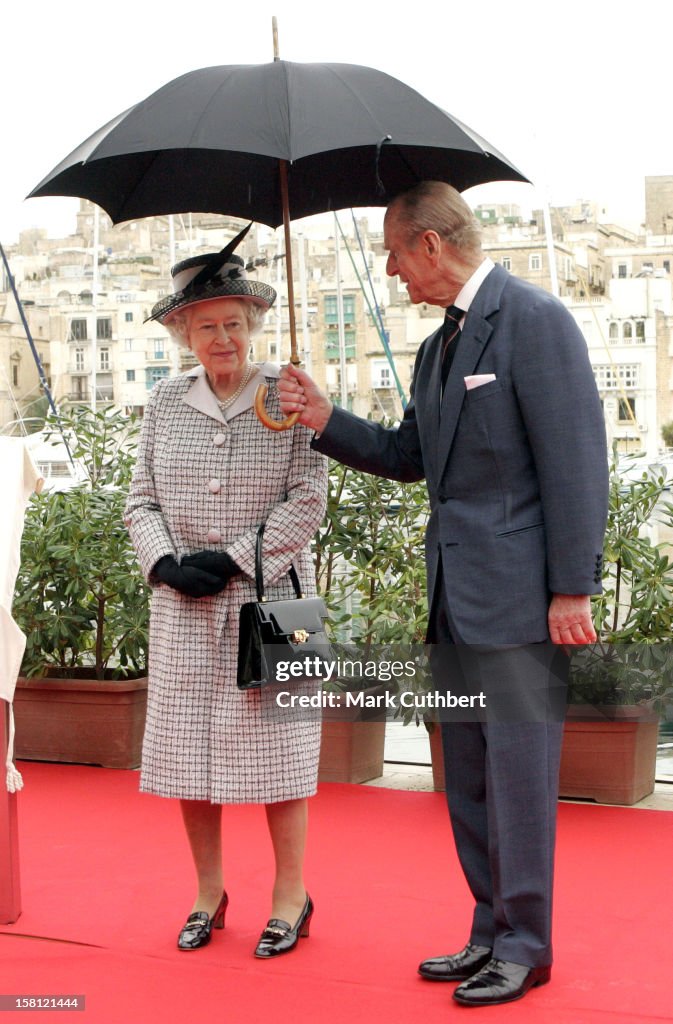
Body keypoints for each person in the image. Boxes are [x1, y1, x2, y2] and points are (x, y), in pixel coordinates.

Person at [277, 182, 608, 1007]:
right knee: (466, 779)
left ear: (430, 244)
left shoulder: (533, 319)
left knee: (521, 780)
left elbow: (576, 462)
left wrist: (572, 588)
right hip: (452, 601)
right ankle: (489, 930)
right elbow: (404, 456)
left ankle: (526, 945)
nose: (389, 271)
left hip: (523, 600)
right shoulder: (435, 350)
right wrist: (322, 416)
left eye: (393, 253)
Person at [124, 226, 327, 959]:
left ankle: (291, 896)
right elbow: (138, 500)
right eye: (206, 326)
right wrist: (165, 564)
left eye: (234, 324)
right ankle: (208, 892)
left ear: (253, 325)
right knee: (187, 756)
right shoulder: (163, 401)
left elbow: (308, 501)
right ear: (182, 331)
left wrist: (236, 558)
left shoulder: (289, 395)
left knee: (283, 757)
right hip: (183, 605)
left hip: (279, 603)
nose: (222, 338)